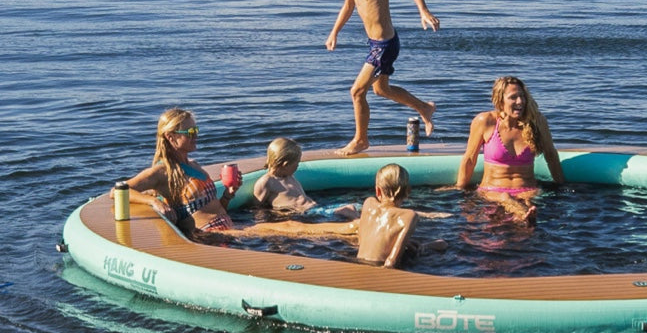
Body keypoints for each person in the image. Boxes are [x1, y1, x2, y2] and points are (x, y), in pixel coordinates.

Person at [116, 109, 358, 241]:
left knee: (291, 227)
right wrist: (152, 201)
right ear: (171, 137)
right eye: (190, 131)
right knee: (291, 227)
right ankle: (353, 231)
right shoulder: (162, 172)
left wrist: (229, 196)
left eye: (196, 129)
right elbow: (118, 191)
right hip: (209, 234)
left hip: (227, 225)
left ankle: (353, 231)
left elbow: (214, 206)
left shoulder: (196, 166)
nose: (196, 135)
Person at [325, 0, 440, 157]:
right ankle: (424, 107)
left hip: (385, 45)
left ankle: (361, 140)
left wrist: (423, 11)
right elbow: (348, 6)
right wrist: (334, 32)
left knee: (357, 91)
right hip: (376, 44)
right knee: (381, 89)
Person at [456, 75, 564, 223]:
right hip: (492, 191)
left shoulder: (536, 121)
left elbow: (551, 155)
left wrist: (561, 186)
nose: (520, 102)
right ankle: (523, 214)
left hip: (528, 190)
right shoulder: (485, 121)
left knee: (527, 206)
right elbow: (469, 159)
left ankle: (524, 214)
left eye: (522, 96)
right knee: (505, 198)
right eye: (513, 97)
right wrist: (460, 189)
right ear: (500, 100)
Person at [356, 163, 444, 267]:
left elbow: (361, 241)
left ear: (378, 191)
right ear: (407, 191)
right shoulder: (409, 216)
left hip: (358, 263)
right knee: (442, 244)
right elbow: (391, 261)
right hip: (379, 268)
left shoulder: (368, 203)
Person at [252, 137, 357, 219]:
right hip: (304, 214)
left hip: (316, 209)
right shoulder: (267, 182)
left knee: (358, 206)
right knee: (349, 210)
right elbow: (257, 208)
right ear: (286, 164)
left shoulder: (289, 176)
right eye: (296, 163)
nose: (298, 165)